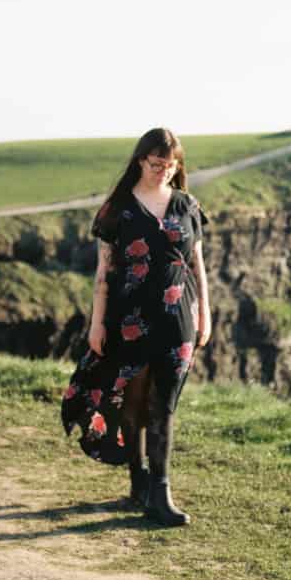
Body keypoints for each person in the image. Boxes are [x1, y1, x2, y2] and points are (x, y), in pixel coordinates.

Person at [61, 127, 212, 527]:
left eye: (170, 164)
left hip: (179, 318)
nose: (163, 170)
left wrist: (206, 315)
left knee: (164, 404)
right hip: (129, 319)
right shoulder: (117, 210)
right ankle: (138, 482)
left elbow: (198, 266)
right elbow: (103, 273)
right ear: (141, 161)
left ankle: (160, 493)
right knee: (133, 399)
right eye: (156, 162)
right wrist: (96, 324)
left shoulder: (188, 206)